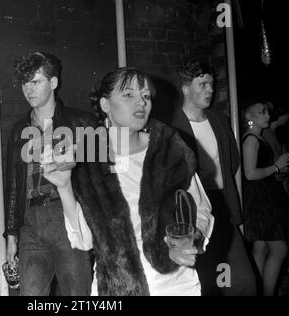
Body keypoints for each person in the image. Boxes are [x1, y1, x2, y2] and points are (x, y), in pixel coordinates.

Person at [42, 67, 214, 296]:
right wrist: (63, 186)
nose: (141, 103)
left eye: (145, 96)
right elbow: (84, 241)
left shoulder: (169, 149)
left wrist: (191, 239)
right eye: (128, 95)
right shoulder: (86, 159)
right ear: (105, 106)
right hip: (115, 288)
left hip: (174, 284)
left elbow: (201, 209)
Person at [4, 52, 94, 296]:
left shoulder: (81, 122)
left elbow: (104, 171)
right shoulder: (19, 130)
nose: (28, 89)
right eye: (25, 83)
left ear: (53, 83)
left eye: (36, 82)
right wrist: (11, 234)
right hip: (31, 220)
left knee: (78, 295)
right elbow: (13, 186)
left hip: (67, 216)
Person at [170, 60, 257, 295]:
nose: (210, 89)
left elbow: (233, 162)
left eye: (211, 84)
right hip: (192, 210)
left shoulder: (218, 121)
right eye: (203, 84)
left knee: (243, 281)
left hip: (221, 204)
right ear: (186, 88)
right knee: (206, 278)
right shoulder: (171, 127)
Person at [242, 99, 289, 296]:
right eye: (262, 112)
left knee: (261, 248)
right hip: (261, 200)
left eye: (267, 112)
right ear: (249, 117)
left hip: (263, 197)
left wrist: (276, 170)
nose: (267, 115)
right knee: (279, 250)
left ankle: (260, 290)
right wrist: (276, 166)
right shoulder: (252, 139)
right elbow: (249, 173)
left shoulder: (257, 137)